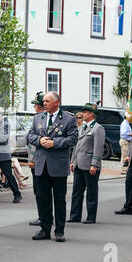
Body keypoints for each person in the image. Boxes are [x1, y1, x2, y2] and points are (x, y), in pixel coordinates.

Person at [27, 91, 78, 242]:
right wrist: (40, 140)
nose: (44, 104)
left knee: (59, 199)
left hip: (58, 165)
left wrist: (54, 143)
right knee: (43, 198)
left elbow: (73, 138)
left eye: (48, 101)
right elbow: (30, 135)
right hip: (41, 164)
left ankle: (59, 231)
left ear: (57, 102)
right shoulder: (38, 118)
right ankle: (44, 229)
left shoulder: (69, 118)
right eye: (44, 101)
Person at [68, 103, 105, 224]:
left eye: (85, 112)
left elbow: (98, 148)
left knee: (91, 192)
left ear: (91, 114)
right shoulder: (83, 127)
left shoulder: (98, 128)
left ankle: (91, 216)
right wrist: (73, 161)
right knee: (77, 191)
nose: (82, 114)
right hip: (79, 163)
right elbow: (76, 146)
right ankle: (75, 215)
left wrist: (94, 164)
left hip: (90, 165)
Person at [0, 107, 23, 203]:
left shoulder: (5, 124)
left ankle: (17, 193)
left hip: (3, 154)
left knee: (9, 175)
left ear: (1, 116)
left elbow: (2, 139)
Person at [28, 91, 45, 227]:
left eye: (36, 106)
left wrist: (32, 159)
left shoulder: (40, 120)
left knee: (40, 191)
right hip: (38, 160)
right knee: (38, 191)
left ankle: (43, 216)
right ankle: (43, 215)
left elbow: (35, 144)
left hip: (39, 160)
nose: (34, 108)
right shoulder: (38, 119)